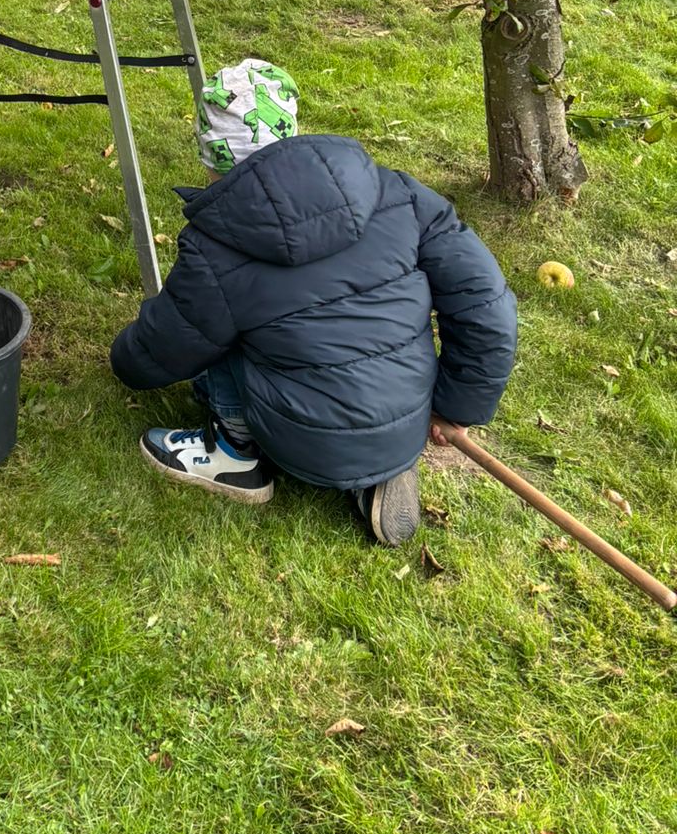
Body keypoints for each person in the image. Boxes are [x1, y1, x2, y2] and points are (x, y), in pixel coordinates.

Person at [110, 58, 518, 545]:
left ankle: (234, 454)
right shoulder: (399, 193)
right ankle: (378, 467)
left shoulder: (215, 243)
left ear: (212, 156)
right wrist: (457, 405)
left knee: (217, 323)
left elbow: (167, 344)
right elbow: (486, 306)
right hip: (407, 414)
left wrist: (123, 360)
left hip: (297, 433)